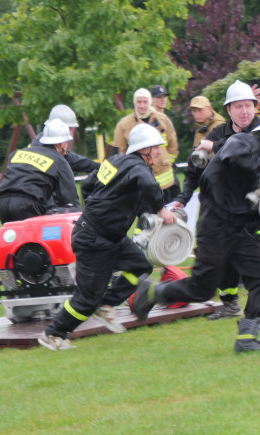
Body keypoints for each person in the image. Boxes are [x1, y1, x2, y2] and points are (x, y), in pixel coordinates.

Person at [133, 107, 260, 354]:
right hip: (215, 227)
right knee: (202, 289)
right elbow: (232, 157)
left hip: (241, 232)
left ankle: (247, 338)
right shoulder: (242, 141)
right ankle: (151, 291)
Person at [175, 81, 260, 319]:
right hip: (227, 207)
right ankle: (230, 303)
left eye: (248, 106)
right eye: (238, 107)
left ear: (254, 107)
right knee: (226, 252)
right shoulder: (219, 132)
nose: (244, 112)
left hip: (258, 202)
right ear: (228, 110)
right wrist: (182, 198)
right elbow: (195, 168)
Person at [38, 124, 177, 351]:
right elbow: (149, 185)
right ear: (144, 150)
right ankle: (52, 334)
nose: (159, 152)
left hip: (110, 237)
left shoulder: (116, 161)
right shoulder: (137, 167)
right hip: (94, 240)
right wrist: (161, 210)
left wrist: (100, 207)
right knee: (85, 301)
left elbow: (89, 185)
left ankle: (106, 304)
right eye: (156, 148)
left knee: (141, 266)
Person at [0, 120, 79, 223]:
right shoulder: (59, 161)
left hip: (2, 203)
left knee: (13, 237)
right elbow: (71, 202)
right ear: (61, 143)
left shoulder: (17, 154)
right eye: (67, 141)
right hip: (27, 205)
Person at [112, 87, 180, 201]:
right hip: (141, 182)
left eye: (145, 102)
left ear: (150, 102)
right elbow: (120, 153)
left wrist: (166, 161)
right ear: (134, 103)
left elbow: (173, 147)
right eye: (139, 102)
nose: (142, 105)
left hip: (166, 183)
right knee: (147, 217)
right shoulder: (124, 124)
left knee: (170, 216)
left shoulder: (163, 119)